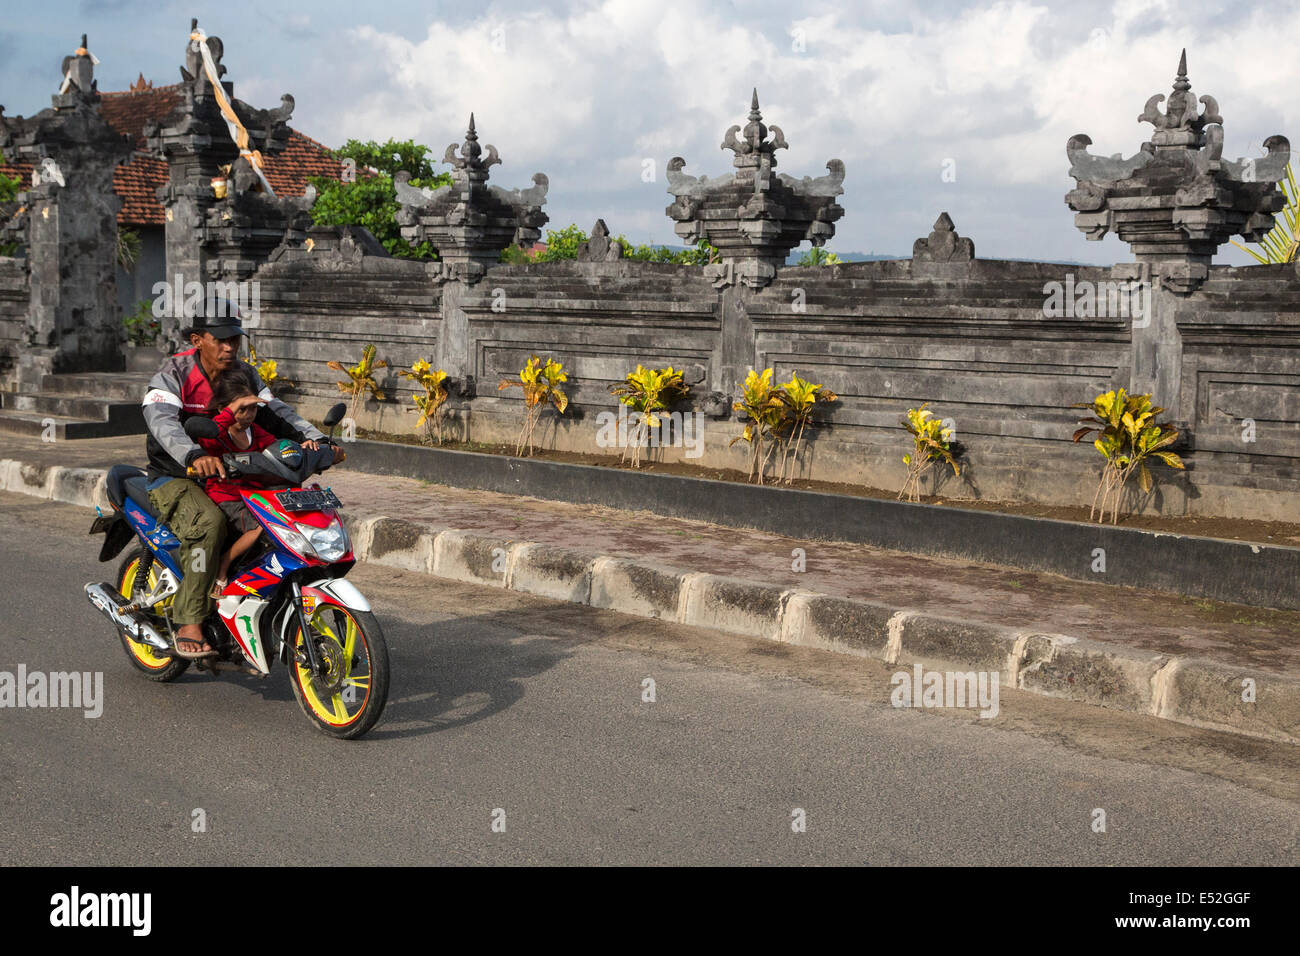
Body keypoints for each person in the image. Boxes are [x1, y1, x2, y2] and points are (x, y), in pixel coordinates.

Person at [141, 302, 326, 660]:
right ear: (197, 340)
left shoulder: (245, 374)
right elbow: (162, 423)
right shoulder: (172, 375)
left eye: (235, 341)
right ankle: (189, 620)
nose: (230, 348)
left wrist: (319, 442)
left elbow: (277, 415)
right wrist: (194, 455)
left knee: (283, 513)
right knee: (208, 525)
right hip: (176, 475)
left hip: (232, 472)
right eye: (221, 340)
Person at [195, 376, 277, 598]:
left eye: (253, 409)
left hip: (253, 496)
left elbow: (278, 448)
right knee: (263, 525)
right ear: (226, 409)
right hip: (225, 498)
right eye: (243, 410)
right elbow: (206, 437)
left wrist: (305, 447)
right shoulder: (218, 434)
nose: (249, 415)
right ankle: (223, 567)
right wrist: (230, 412)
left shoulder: (256, 432)